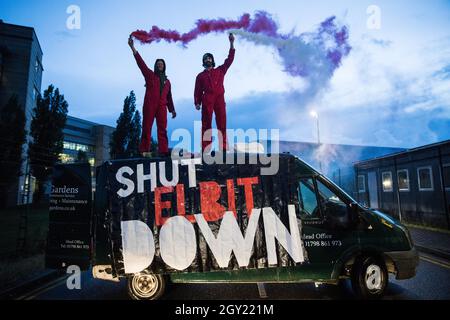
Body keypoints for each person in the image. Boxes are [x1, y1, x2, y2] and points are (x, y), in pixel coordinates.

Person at [128, 35, 176, 157]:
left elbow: (169, 97)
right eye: (158, 64)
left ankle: (163, 151)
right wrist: (133, 47)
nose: (160, 65)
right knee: (147, 127)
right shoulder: (150, 75)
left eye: (162, 64)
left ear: (164, 66)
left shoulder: (168, 81)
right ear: (156, 66)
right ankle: (145, 151)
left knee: (162, 129)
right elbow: (141, 64)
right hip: (150, 105)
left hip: (162, 107)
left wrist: (172, 110)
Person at [194, 33, 235, 152]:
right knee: (206, 123)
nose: (208, 59)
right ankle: (206, 148)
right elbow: (197, 90)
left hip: (219, 98)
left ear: (212, 60)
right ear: (203, 61)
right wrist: (197, 102)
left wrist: (231, 43)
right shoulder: (200, 76)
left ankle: (223, 147)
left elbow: (230, 60)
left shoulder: (220, 70)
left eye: (209, 58)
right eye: (206, 58)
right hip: (207, 98)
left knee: (222, 121)